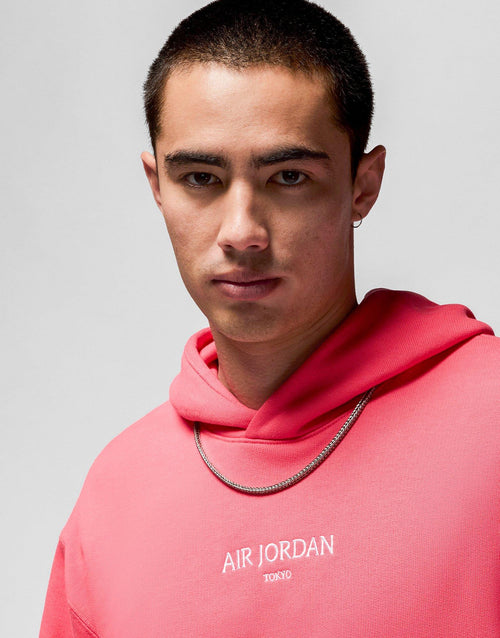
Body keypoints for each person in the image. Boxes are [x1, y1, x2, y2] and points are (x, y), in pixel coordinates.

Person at [40, 1, 499, 636]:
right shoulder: (113, 497)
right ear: (157, 186)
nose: (242, 232)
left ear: (363, 184)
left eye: (288, 176)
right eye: (200, 178)